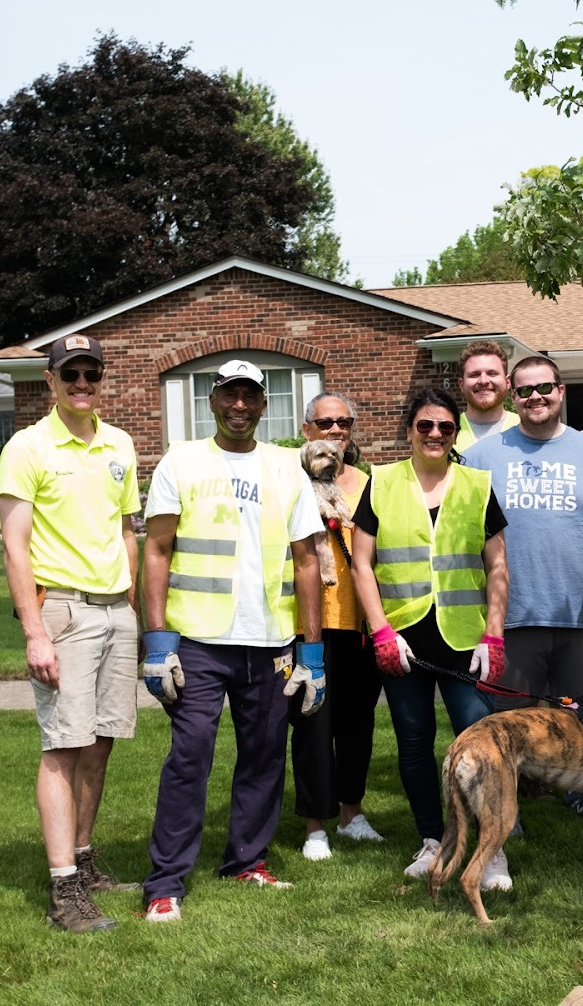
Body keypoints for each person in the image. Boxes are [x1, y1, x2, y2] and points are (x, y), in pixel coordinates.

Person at [138, 360, 324, 924]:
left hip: (270, 642)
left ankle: (247, 860)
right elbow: (157, 551)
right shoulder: (182, 460)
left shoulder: (286, 467)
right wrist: (156, 641)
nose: (239, 405)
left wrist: (311, 654)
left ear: (264, 405)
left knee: (265, 756)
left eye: (250, 396)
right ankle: (165, 882)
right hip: (196, 639)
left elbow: (307, 560)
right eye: (229, 395)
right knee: (190, 756)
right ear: (212, 401)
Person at [0, 334, 142, 934]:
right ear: (50, 381)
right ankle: (63, 892)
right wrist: (35, 632)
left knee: (100, 740)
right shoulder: (27, 447)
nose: (82, 384)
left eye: (92, 374)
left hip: (116, 611)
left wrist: (133, 608)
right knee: (62, 745)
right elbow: (13, 545)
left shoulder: (120, 444)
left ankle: (84, 862)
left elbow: (126, 531)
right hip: (63, 612)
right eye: (71, 374)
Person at [349, 388, 510, 887]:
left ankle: (492, 850)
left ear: (455, 433)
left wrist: (494, 635)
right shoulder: (381, 483)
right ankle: (430, 839)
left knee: (481, 740)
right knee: (413, 739)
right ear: (409, 430)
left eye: (445, 427)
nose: (435, 434)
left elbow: (497, 564)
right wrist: (380, 631)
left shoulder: (477, 485)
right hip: (403, 640)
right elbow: (361, 563)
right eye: (425, 425)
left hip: (463, 640)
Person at [461, 355, 583, 824]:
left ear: (562, 391)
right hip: (511, 615)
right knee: (507, 721)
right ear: (514, 396)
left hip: (581, 614)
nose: (536, 397)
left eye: (545, 388)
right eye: (525, 390)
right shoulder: (481, 457)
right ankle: (505, 806)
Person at [291, 392, 386, 860]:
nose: (335, 430)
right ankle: (314, 825)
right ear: (307, 428)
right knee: (311, 722)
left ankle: (352, 813)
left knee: (356, 723)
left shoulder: (370, 484)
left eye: (343, 422)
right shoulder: (290, 479)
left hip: (360, 624)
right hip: (306, 624)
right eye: (325, 423)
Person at [453, 340, 519, 450]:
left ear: (508, 382)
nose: (483, 381)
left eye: (492, 373)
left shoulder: (526, 428)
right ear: (461, 384)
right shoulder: (447, 432)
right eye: (474, 375)